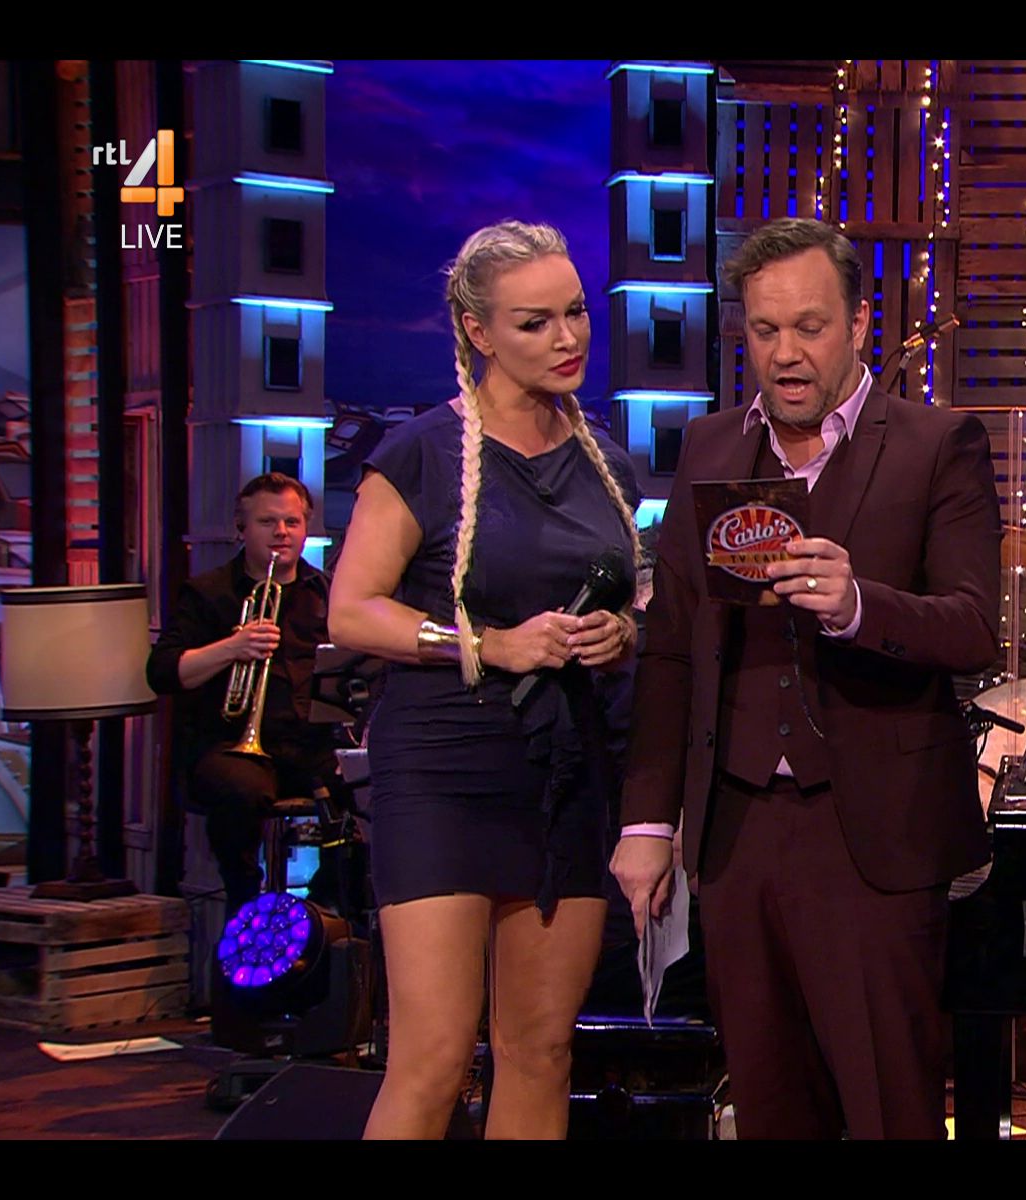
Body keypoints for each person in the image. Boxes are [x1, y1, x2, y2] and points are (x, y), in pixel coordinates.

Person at [610, 216, 1001, 1140]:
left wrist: (859, 604)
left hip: (873, 833)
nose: (785, 354)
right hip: (737, 831)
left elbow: (973, 627)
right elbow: (671, 646)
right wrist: (647, 822)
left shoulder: (937, 443)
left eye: (810, 327)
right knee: (770, 1105)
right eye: (764, 330)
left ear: (859, 322)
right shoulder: (710, 448)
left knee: (889, 1105)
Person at [327, 220, 640, 1139]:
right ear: (478, 330)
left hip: (566, 775)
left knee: (541, 1050)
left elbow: (633, 600)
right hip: (444, 774)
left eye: (576, 313)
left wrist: (619, 633)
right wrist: (491, 645)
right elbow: (352, 612)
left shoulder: (609, 466)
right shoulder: (422, 454)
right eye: (535, 322)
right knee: (432, 1060)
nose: (568, 338)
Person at [146, 472, 337, 912]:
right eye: (267, 522)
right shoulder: (208, 593)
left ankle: (323, 908)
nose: (281, 532)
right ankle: (246, 903)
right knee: (240, 792)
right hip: (231, 745)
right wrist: (232, 648)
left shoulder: (327, 594)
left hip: (309, 744)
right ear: (242, 528)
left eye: (292, 522)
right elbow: (162, 673)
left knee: (372, 786)